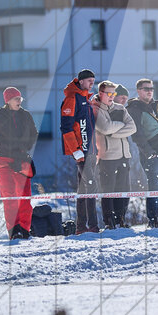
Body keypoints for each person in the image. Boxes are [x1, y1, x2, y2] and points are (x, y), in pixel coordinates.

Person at [0, 87, 37, 239]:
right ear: (8, 100)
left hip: (22, 160)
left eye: (20, 98)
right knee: (9, 197)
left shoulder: (26, 115)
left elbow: (33, 133)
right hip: (3, 161)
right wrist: (2, 147)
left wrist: (24, 147)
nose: (19, 101)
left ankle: (25, 229)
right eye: (16, 98)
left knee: (25, 198)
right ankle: (14, 230)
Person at [126, 79, 158, 227]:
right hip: (153, 156)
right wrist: (149, 152)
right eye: (146, 88)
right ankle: (153, 220)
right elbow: (137, 134)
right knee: (155, 188)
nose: (149, 91)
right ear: (139, 91)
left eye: (151, 88)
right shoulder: (134, 109)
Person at [93, 80, 137, 229]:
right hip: (107, 157)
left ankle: (121, 220)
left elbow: (133, 127)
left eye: (114, 93)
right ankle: (109, 222)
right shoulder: (96, 109)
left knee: (124, 190)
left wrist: (114, 132)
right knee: (109, 191)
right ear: (101, 93)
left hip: (124, 155)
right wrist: (121, 126)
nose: (112, 96)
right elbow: (105, 128)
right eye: (109, 93)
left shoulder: (120, 108)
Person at [61, 69, 99, 234]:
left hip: (90, 151)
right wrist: (75, 150)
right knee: (90, 186)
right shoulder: (72, 98)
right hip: (81, 152)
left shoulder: (86, 99)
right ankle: (92, 226)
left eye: (93, 81)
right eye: (89, 81)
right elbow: (66, 127)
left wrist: (95, 149)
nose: (91, 84)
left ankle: (81, 227)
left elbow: (90, 128)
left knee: (84, 189)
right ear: (81, 81)